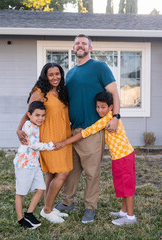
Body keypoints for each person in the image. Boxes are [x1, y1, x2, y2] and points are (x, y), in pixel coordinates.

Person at [54, 34, 121, 224]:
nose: (80, 46)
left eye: (84, 43)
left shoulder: (99, 67)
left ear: (90, 48)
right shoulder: (71, 72)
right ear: (73, 48)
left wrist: (115, 117)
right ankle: (67, 202)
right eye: (77, 43)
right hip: (73, 130)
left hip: (92, 130)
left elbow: (114, 92)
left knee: (92, 172)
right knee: (72, 170)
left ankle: (90, 207)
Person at [55, 92, 137, 225]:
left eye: (102, 107)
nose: (99, 110)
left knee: (127, 187)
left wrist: (65, 142)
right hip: (118, 157)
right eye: (97, 107)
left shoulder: (108, 119)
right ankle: (123, 212)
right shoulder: (108, 117)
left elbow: (86, 132)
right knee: (121, 185)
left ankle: (131, 217)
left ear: (111, 107)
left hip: (124, 156)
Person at [16, 63, 72, 224]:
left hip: (64, 138)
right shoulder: (39, 92)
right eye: (51, 74)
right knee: (63, 173)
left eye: (58, 74)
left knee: (53, 174)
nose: (55, 77)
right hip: (49, 140)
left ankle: (47, 207)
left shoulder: (61, 92)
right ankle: (47, 210)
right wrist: (19, 130)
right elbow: (28, 114)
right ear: (45, 76)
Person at [13, 101, 55, 229]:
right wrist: (49, 146)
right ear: (29, 115)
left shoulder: (37, 126)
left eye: (43, 115)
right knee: (20, 193)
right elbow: (32, 144)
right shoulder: (28, 125)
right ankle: (21, 219)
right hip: (24, 164)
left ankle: (29, 213)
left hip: (34, 164)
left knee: (41, 188)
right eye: (37, 115)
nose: (40, 118)